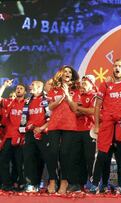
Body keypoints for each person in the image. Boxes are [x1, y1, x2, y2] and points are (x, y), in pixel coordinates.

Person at [89, 59, 121, 194]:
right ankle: (96, 184)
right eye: (115, 66)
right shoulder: (105, 85)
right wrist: (97, 125)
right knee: (102, 156)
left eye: (120, 66)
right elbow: (97, 106)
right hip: (107, 125)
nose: (117, 68)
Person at [46, 65, 80, 194]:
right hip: (54, 125)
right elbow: (50, 107)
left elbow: (74, 108)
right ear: (60, 74)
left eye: (70, 72)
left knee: (65, 154)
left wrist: (67, 95)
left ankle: (64, 181)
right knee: (53, 153)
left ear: (72, 75)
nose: (67, 73)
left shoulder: (76, 89)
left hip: (69, 126)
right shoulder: (53, 89)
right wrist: (61, 97)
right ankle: (53, 180)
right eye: (65, 71)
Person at [67, 75, 97, 192]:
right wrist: (83, 109)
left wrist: (80, 109)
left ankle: (92, 183)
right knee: (75, 157)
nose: (82, 85)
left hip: (90, 130)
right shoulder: (77, 96)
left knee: (90, 158)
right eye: (82, 82)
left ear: (91, 84)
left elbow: (94, 111)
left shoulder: (94, 96)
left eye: (85, 83)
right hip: (76, 130)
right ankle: (76, 184)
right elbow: (75, 111)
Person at [21, 81, 50, 193]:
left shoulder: (46, 100)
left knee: (43, 159)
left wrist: (41, 128)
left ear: (39, 88)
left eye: (32, 85)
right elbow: (24, 118)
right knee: (29, 158)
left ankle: (46, 183)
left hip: (43, 133)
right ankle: (31, 183)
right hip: (30, 133)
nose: (29, 86)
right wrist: (28, 126)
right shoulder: (28, 101)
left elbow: (50, 117)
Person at [0, 80, 26, 191]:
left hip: (20, 136)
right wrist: (5, 86)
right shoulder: (10, 102)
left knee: (19, 163)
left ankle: (20, 183)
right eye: (17, 88)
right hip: (8, 136)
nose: (18, 89)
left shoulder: (27, 103)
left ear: (25, 92)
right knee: (3, 161)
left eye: (21, 88)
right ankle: (7, 184)